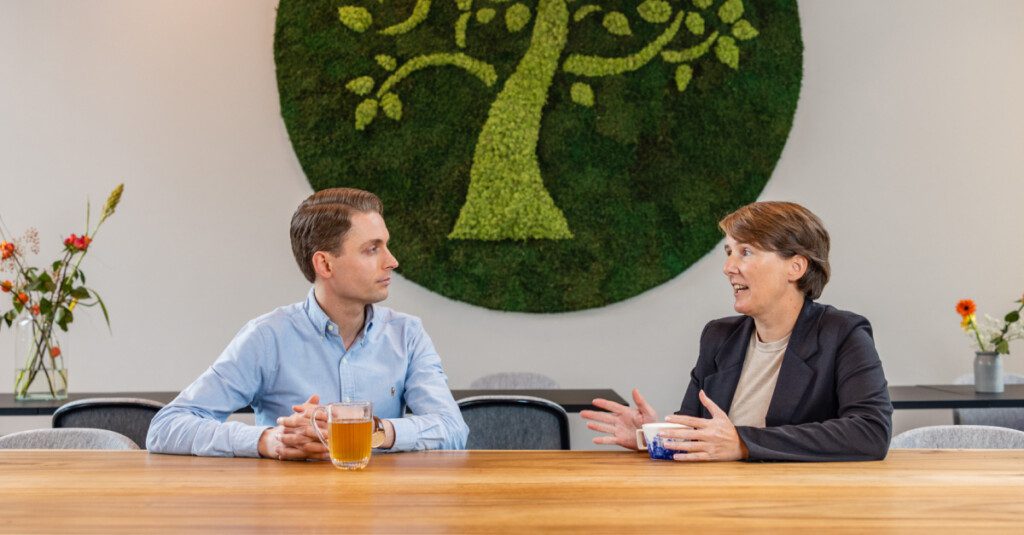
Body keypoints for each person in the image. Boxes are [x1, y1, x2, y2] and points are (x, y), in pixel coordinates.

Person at [147, 188, 468, 458]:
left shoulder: (407, 335)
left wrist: (377, 431)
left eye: (385, 245)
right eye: (372, 249)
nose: (392, 261)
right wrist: (268, 440)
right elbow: (167, 427)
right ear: (325, 263)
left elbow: (454, 430)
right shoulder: (267, 337)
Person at [581, 201, 892, 461]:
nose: (728, 267)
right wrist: (654, 435)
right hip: (721, 500)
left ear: (795, 267)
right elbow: (702, 435)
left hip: (800, 506)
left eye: (745, 252)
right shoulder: (719, 337)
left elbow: (870, 432)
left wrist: (742, 444)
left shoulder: (843, 334)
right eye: (728, 252)